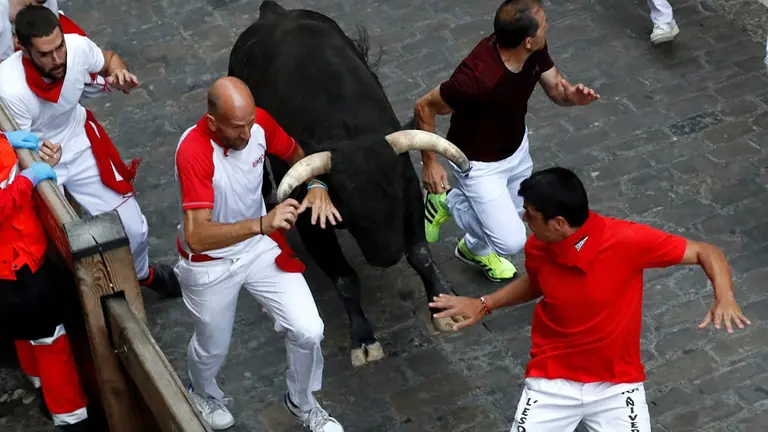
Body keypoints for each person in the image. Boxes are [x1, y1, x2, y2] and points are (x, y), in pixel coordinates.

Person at [428, 166, 750, 431]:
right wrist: (485, 305)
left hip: (617, 385)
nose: (524, 221)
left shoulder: (626, 240)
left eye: (530, 215)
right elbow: (538, 284)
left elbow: (706, 252)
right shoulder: (539, 247)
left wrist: (725, 297)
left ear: (558, 223)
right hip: (551, 381)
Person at [174, 76, 344, 432]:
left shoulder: (258, 123)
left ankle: (302, 402)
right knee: (212, 347)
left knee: (309, 329)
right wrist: (262, 223)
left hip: (258, 248)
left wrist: (316, 185)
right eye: (237, 128)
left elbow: (299, 155)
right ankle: (201, 391)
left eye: (250, 123)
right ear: (211, 122)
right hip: (210, 263)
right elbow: (197, 236)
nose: (248, 134)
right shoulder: (193, 152)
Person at [0, 5, 180, 297]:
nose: (58, 59)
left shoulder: (77, 47)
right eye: (45, 54)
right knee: (55, 246)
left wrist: (119, 71)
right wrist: (41, 162)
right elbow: (17, 148)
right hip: (37, 162)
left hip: (79, 142)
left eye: (59, 47)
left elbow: (107, 59)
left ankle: (143, 273)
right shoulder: (9, 87)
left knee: (133, 229)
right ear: (22, 48)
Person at [415, 0, 599, 282]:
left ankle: (472, 249)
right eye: (544, 23)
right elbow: (424, 106)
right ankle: (447, 202)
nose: (548, 26)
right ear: (527, 40)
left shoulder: (534, 51)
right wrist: (430, 163)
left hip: (517, 149)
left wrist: (572, 97)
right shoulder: (476, 79)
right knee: (511, 241)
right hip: (477, 164)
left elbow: (556, 88)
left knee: (515, 212)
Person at [0, 129, 91, 432]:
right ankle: (72, 418)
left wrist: (5, 140)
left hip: (11, 267)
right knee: (51, 342)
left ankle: (37, 382)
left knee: (24, 333)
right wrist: (28, 179)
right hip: (18, 267)